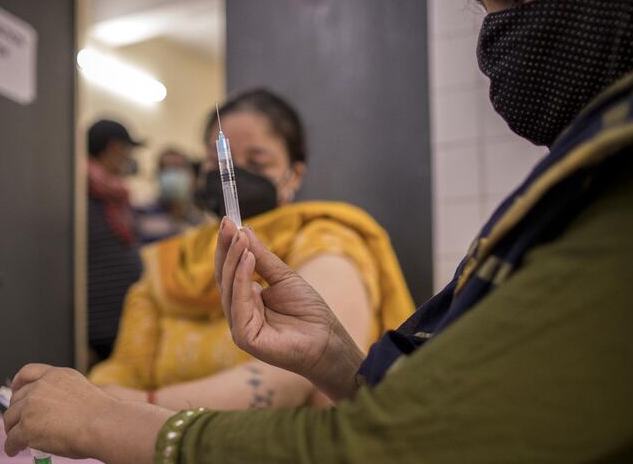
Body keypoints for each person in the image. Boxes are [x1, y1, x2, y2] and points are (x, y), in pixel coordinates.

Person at [4, 0, 633, 464]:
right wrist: (335, 357)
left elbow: (390, 458)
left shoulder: (327, 236)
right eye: (486, 4)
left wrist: (106, 416)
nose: (497, 35)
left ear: (294, 172)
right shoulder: (167, 260)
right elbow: (474, 418)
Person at [87, 88, 415, 410]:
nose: (236, 172)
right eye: (220, 161)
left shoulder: (326, 238)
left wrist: (130, 407)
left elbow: (293, 377)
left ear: (294, 174)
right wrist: (95, 396)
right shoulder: (175, 258)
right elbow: (125, 368)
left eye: (257, 163)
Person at [86, 119, 145, 365]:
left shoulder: (114, 195)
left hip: (119, 324)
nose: (129, 158)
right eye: (126, 150)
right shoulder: (81, 194)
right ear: (112, 148)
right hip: (96, 330)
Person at [135, 148, 204, 244]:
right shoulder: (141, 213)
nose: (172, 173)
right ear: (158, 174)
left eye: (178, 168)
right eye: (167, 168)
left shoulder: (200, 219)